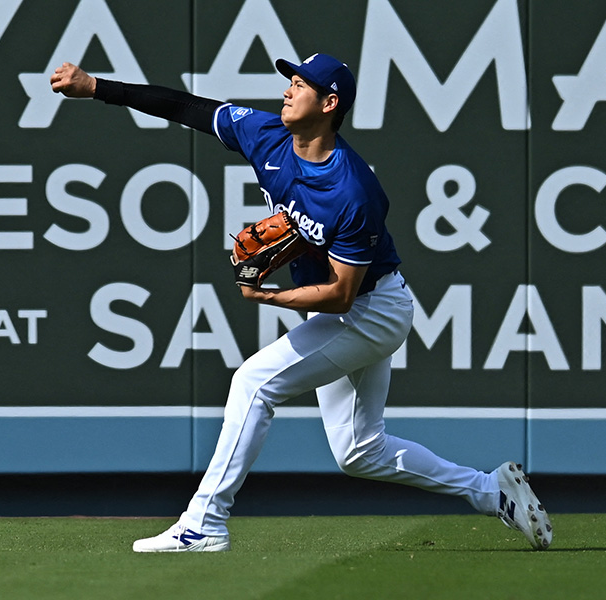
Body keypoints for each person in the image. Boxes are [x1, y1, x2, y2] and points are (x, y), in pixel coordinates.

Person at [50, 53, 553, 552]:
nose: (288, 89)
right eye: (289, 79)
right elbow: (185, 107)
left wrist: (266, 295)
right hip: (348, 307)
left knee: (252, 384)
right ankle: (490, 490)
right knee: (360, 451)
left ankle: (203, 523)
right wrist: (96, 87)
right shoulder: (265, 135)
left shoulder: (353, 190)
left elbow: (340, 295)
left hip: (370, 311)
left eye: (301, 83)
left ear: (329, 103)